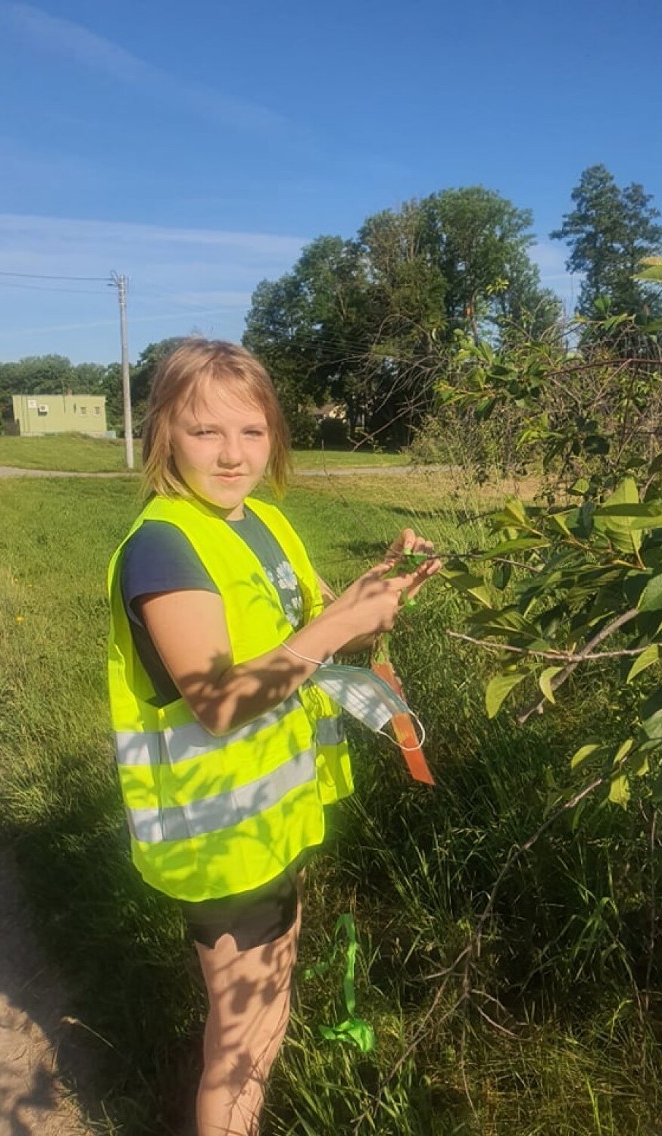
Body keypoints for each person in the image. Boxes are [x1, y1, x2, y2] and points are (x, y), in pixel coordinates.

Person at [106, 338, 440, 1136]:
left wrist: (377, 589)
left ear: (274, 436)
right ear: (163, 436)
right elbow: (220, 702)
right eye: (204, 431)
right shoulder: (164, 547)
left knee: (265, 1010)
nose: (231, 455)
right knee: (243, 1037)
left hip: (272, 822)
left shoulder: (264, 523)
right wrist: (335, 627)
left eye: (251, 432)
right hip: (220, 843)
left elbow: (313, 630)